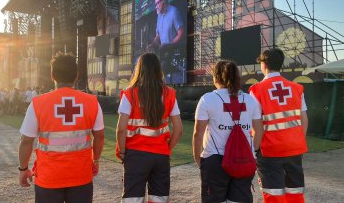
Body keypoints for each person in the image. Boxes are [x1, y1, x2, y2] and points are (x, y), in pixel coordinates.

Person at [18, 52, 105, 203]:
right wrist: (95, 160)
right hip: (81, 175)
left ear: (52, 75)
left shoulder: (37, 103)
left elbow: (26, 140)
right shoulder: (92, 102)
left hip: (48, 177)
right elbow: (99, 136)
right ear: (76, 75)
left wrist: (23, 169)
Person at [116, 53, 183, 202]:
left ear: (139, 70)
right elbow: (178, 130)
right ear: (158, 70)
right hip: (161, 156)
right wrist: (167, 149)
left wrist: (122, 151)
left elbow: (121, 129)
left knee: (132, 199)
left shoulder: (129, 93)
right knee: (159, 199)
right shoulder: (169, 94)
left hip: (135, 155)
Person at [192, 60, 263, 203]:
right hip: (243, 159)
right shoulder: (251, 100)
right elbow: (259, 130)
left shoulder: (207, 99)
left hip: (214, 160)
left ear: (216, 77)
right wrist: (252, 152)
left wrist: (198, 158)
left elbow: (198, 132)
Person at [249, 48, 308, 203]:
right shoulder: (297, 88)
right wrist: (297, 142)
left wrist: (253, 150)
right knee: (295, 192)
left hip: (269, 151)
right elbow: (304, 120)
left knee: (273, 195)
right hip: (294, 149)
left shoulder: (256, 90)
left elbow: (257, 126)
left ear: (264, 64)